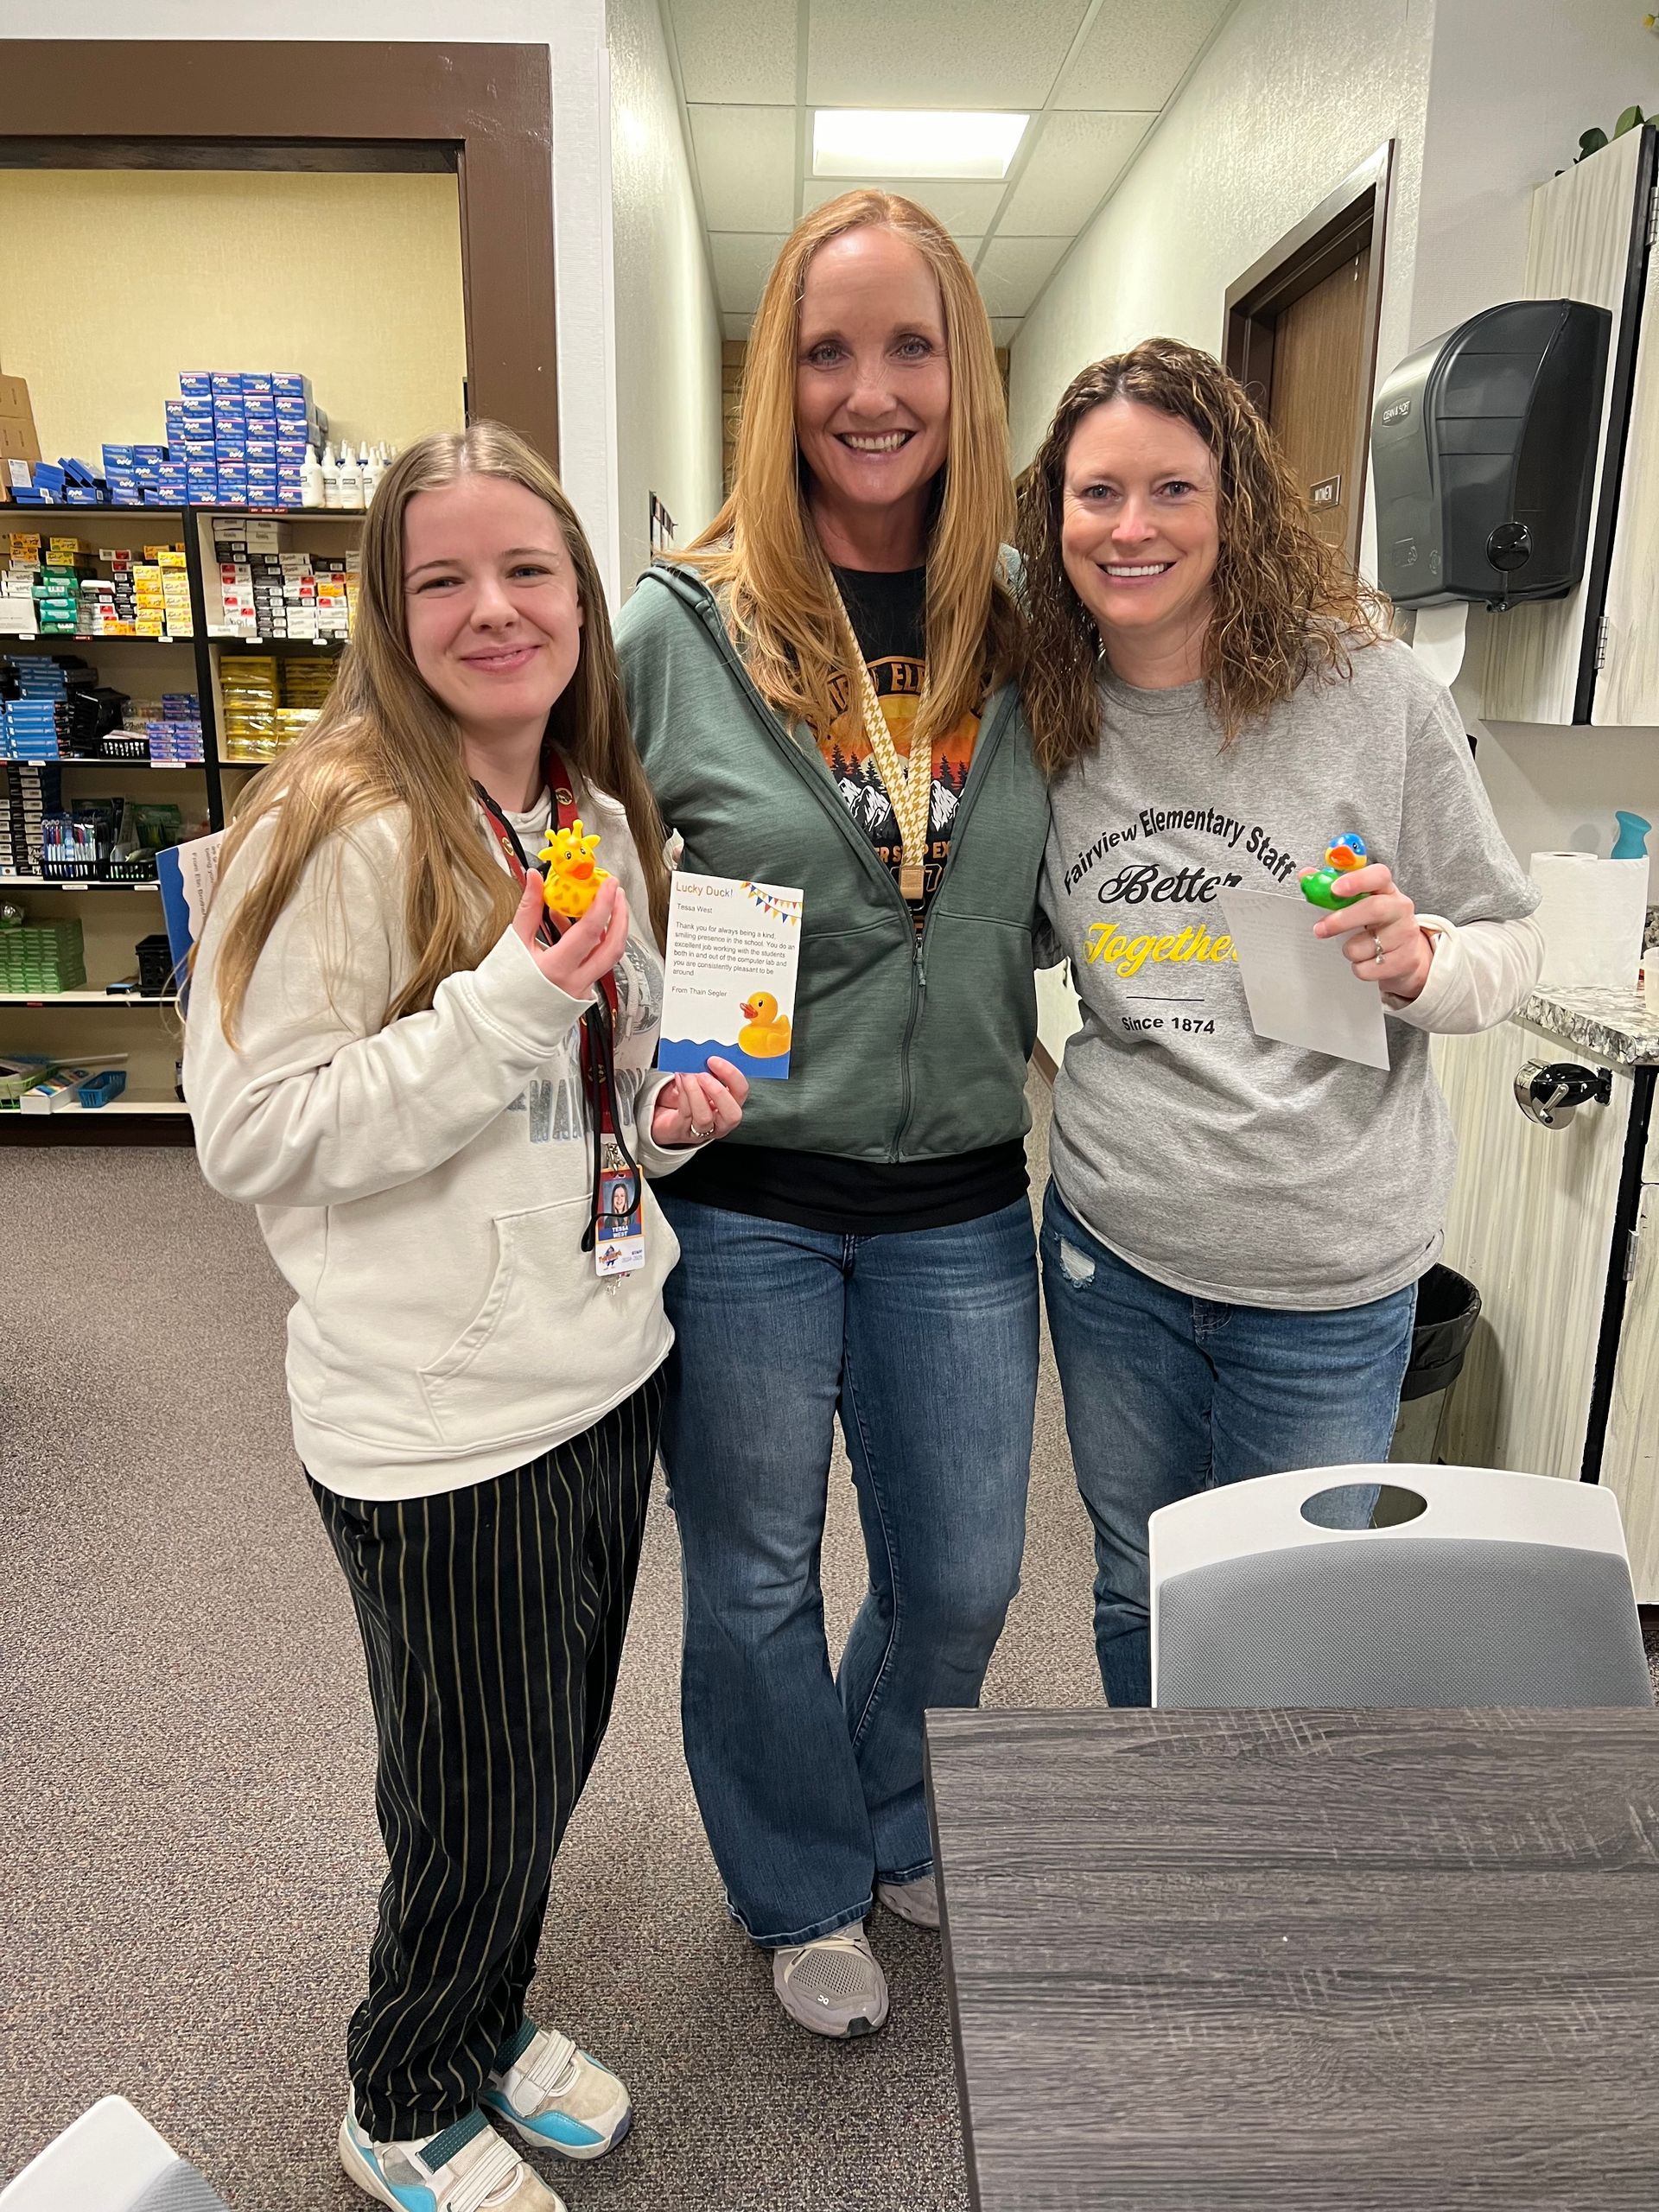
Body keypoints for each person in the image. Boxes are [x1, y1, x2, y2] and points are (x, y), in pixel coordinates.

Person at [185, 424, 746, 2212]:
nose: (495, 606)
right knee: (468, 1788)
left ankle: (486, 2017)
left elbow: (599, 1066)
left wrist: (657, 1113)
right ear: (387, 605)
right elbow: (255, 1128)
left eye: (531, 569)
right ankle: (405, 2085)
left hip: (601, 1359)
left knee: (547, 1756)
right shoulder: (333, 818)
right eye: (445, 576)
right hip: (438, 1416)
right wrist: (508, 1004)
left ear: (584, 596)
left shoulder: (583, 802)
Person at [615, 190, 1048, 2038]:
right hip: (757, 1196)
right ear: (774, 382)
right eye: (826, 349)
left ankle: (883, 1804)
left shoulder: (1031, 631)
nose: (870, 392)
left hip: (962, 1186)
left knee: (961, 1572)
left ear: (966, 372)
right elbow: (580, 880)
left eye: (910, 346)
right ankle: (801, 1878)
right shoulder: (680, 624)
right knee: (757, 1575)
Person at [1016, 339, 1543, 1708]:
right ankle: (1167, 1841)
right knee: (1139, 1573)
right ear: (1055, 516)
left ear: (1235, 503)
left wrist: (1422, 960)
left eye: (1172, 491)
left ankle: (1265, 1883)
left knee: (1295, 1607)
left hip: (1325, 1274)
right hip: (1116, 1250)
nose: (1131, 529)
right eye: (1097, 495)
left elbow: (1512, 942)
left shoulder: (1370, 699)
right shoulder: (1047, 713)